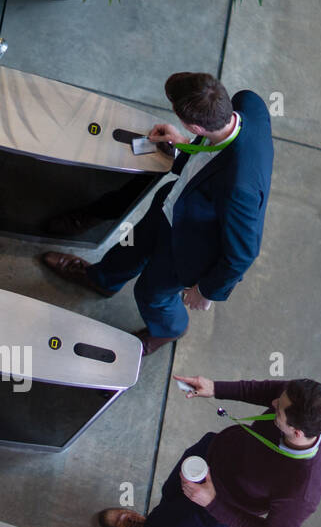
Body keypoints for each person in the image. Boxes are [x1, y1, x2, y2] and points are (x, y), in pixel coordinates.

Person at [41, 73, 273, 356]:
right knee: (129, 249)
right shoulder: (249, 103)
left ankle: (169, 329)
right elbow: (208, 157)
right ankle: (102, 280)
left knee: (151, 293)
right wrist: (183, 143)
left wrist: (207, 291)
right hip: (173, 208)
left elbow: (244, 252)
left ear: (196, 124)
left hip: (193, 248)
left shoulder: (240, 187)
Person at [98, 376, 321, 527]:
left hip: (218, 503)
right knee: (170, 495)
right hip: (210, 454)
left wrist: (212, 502)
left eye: (278, 409)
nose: (273, 402)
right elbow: (268, 391)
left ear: (296, 432)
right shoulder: (298, 398)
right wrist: (214, 388)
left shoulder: (303, 489)